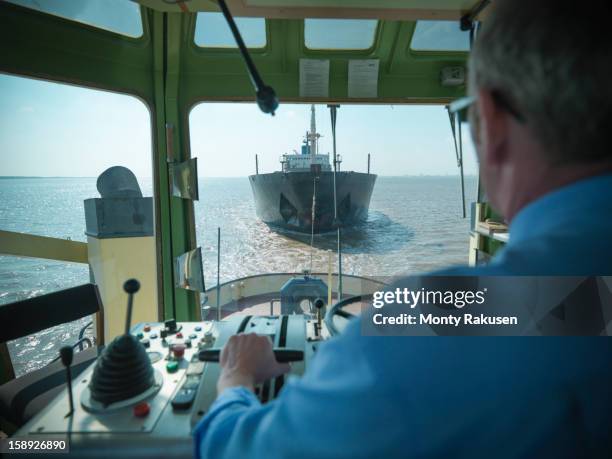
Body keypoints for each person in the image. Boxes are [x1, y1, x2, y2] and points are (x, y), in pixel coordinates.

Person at [194, 1, 612, 457]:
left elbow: (240, 450)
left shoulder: (429, 325)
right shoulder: (578, 298)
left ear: (490, 122)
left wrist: (234, 379)